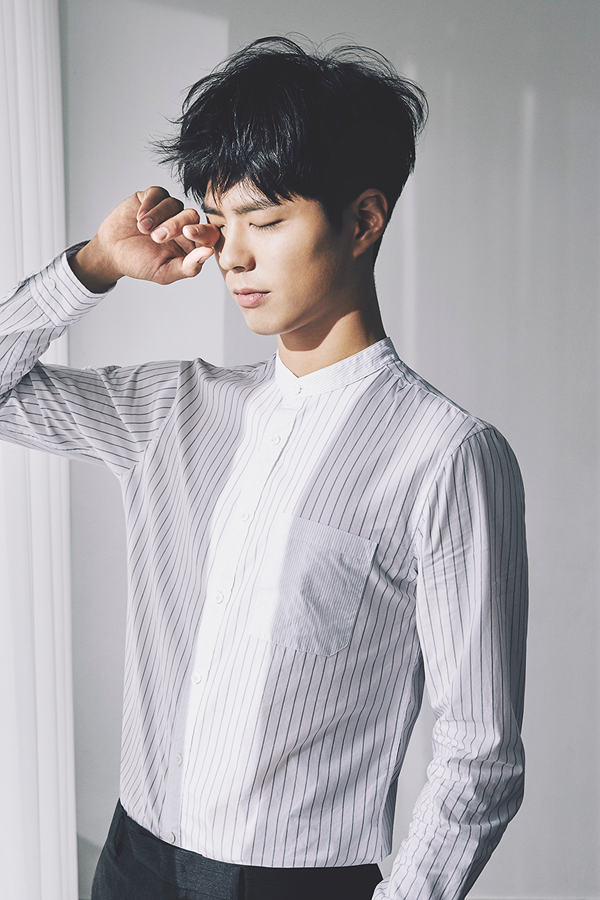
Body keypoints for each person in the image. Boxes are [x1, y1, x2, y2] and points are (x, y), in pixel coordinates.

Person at [0, 35, 528, 900]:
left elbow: (481, 755)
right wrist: (94, 265)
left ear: (363, 221)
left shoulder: (446, 456)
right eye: (222, 218)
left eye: (268, 220)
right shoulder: (172, 409)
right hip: (131, 862)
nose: (233, 255)